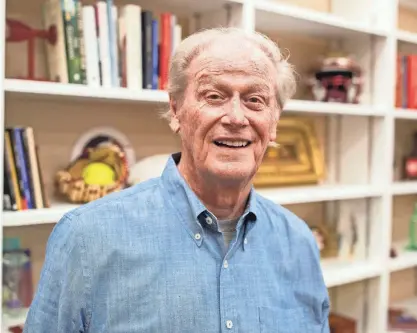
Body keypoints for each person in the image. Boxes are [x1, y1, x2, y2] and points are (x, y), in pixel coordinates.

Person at [23, 27, 330, 332]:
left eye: (254, 100)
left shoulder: (299, 243)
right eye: (214, 96)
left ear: (274, 121)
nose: (236, 117)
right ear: (175, 110)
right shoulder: (86, 239)